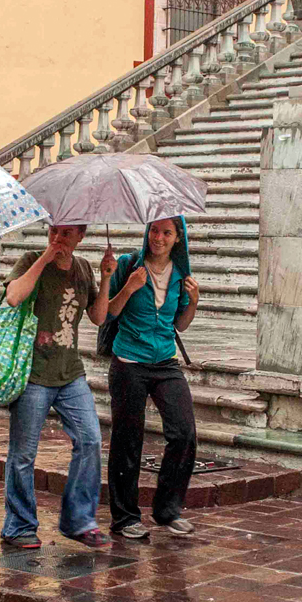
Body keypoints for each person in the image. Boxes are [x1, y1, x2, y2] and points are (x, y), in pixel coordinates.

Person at [1, 224, 116, 549]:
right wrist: (46, 258)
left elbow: (97, 316)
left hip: (70, 371)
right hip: (33, 372)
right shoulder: (30, 259)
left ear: (81, 236)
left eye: (67, 234)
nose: (58, 238)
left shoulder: (82, 268)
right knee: (23, 454)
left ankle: (80, 521)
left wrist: (107, 276)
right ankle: (18, 526)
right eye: (54, 231)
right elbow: (13, 296)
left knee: (90, 440)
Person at [106, 216, 199, 539]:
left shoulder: (181, 273)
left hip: (165, 362)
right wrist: (129, 287)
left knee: (184, 432)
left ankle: (167, 509)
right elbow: (106, 313)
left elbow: (181, 324)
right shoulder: (128, 264)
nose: (158, 238)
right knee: (127, 440)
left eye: (167, 233)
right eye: (154, 231)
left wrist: (195, 302)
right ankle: (125, 518)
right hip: (128, 361)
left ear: (178, 238)